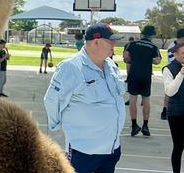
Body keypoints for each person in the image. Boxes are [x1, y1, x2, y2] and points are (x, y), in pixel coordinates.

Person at [43, 22, 125, 173]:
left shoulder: (111, 66)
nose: (114, 44)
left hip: (111, 150)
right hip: (83, 150)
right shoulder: (71, 67)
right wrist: (58, 126)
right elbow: (52, 101)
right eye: (110, 41)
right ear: (96, 42)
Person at [123, 24, 161, 137]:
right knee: (146, 101)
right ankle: (145, 125)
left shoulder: (131, 44)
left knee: (132, 100)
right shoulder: (153, 47)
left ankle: (134, 125)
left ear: (142, 34)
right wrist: (148, 60)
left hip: (134, 74)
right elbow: (158, 61)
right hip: (146, 75)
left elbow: (126, 57)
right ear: (152, 35)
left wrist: (134, 60)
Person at [164, 41, 184, 173]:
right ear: (175, 54)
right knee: (179, 146)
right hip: (176, 114)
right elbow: (169, 91)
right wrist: (181, 74)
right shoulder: (168, 69)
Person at [163, 28, 184, 121]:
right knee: (170, 91)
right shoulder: (173, 46)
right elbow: (173, 60)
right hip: (174, 71)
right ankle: (166, 109)